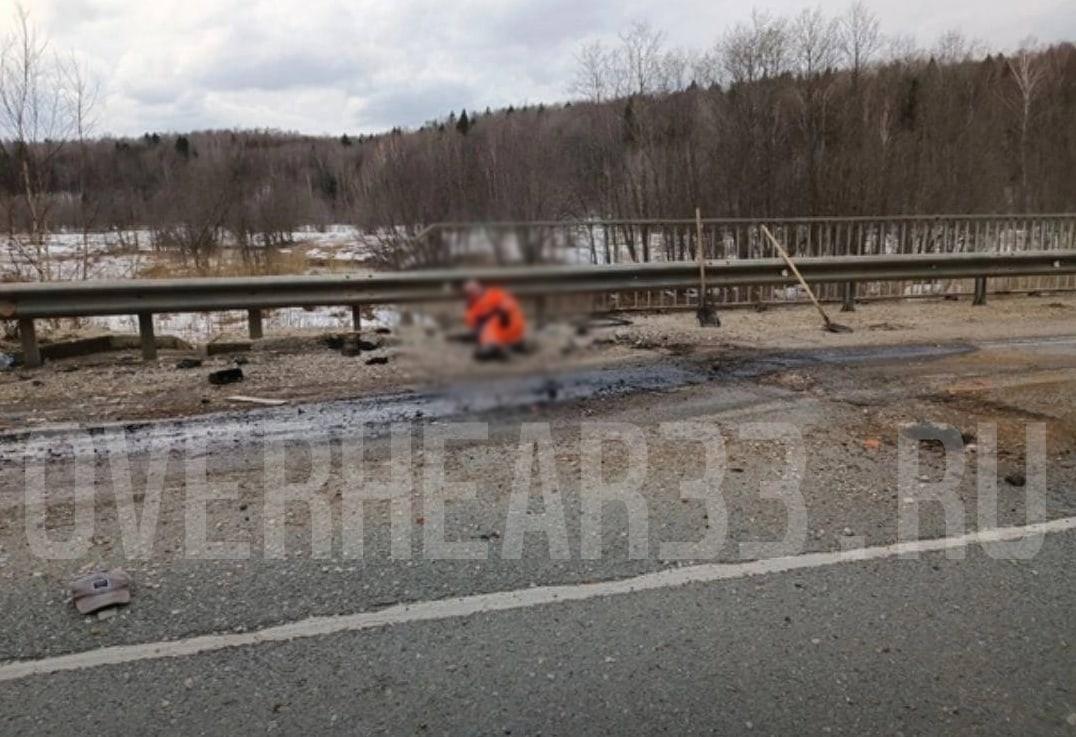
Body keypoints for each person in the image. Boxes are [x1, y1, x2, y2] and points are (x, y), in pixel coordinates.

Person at [463, 280, 527, 360]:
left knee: (486, 344)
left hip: (509, 325)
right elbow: (473, 323)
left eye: (475, 289)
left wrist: (502, 312)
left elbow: (509, 304)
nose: (473, 293)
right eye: (470, 292)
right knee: (480, 353)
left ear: (480, 287)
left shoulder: (494, 293)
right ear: (468, 295)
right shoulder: (472, 307)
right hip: (493, 334)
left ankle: (511, 346)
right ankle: (506, 348)